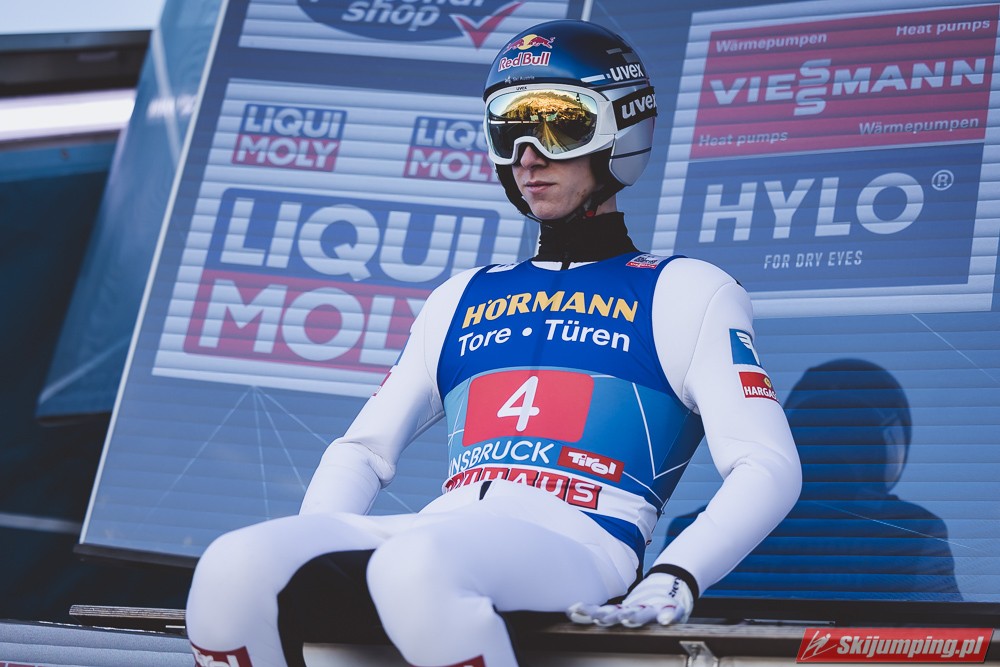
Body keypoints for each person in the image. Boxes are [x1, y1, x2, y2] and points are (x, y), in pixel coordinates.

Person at [185, 19, 801, 667]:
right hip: (442, 530)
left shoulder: (686, 289)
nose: (527, 156)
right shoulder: (461, 295)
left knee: (416, 567)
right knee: (233, 564)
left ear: (622, 130)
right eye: (509, 129)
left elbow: (767, 465)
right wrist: (317, 551)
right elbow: (360, 451)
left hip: (580, 541)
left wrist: (676, 573)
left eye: (561, 125)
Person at [665, 359, 960, 602]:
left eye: (851, 430)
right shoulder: (913, 533)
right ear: (889, 447)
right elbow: (950, 641)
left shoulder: (702, 530)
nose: (835, 440)